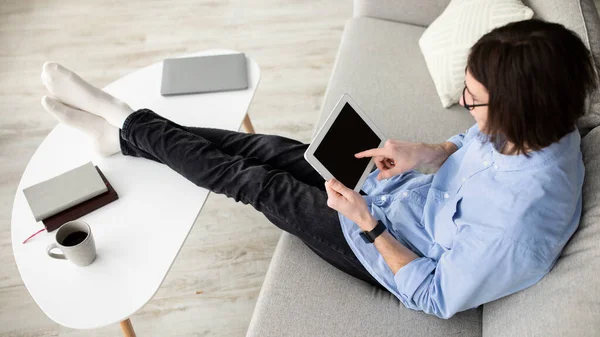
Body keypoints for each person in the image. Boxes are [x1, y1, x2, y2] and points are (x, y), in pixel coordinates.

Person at [39, 18, 597, 319]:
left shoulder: (517, 223)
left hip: (386, 250)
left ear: (518, 109)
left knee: (253, 182)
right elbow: (468, 141)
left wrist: (367, 223)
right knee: (273, 149)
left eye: (472, 99)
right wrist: (429, 153)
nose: (467, 109)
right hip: (400, 196)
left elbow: (434, 296)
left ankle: (120, 125)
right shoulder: (545, 124)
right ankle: (120, 134)